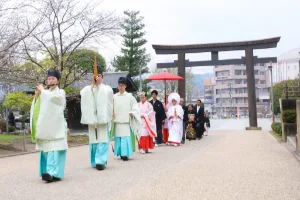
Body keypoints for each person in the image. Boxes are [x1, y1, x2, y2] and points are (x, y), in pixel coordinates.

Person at [30, 69, 68, 182]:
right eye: (49, 78)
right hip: (46, 127)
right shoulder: (44, 93)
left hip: (56, 127)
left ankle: (54, 173)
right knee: (46, 150)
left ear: (58, 81)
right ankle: (47, 172)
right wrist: (36, 96)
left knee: (56, 150)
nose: (50, 81)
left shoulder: (60, 92)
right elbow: (37, 109)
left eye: (53, 79)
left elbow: (57, 100)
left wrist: (43, 91)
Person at [80, 66, 113, 170]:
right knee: (93, 140)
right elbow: (82, 93)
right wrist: (93, 85)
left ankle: (101, 161)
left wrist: (99, 86)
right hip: (92, 118)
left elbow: (108, 95)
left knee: (103, 138)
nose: (96, 77)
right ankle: (94, 160)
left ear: (102, 77)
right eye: (94, 76)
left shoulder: (107, 88)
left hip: (102, 118)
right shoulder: (87, 89)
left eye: (98, 75)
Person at [111, 77, 141, 161]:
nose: (120, 87)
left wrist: (133, 112)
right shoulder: (114, 97)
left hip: (126, 121)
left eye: (122, 85)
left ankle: (125, 154)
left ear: (125, 86)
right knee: (119, 138)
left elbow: (135, 107)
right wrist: (112, 112)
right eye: (119, 85)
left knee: (125, 138)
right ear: (117, 86)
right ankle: (120, 153)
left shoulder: (130, 96)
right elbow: (111, 107)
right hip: (117, 121)